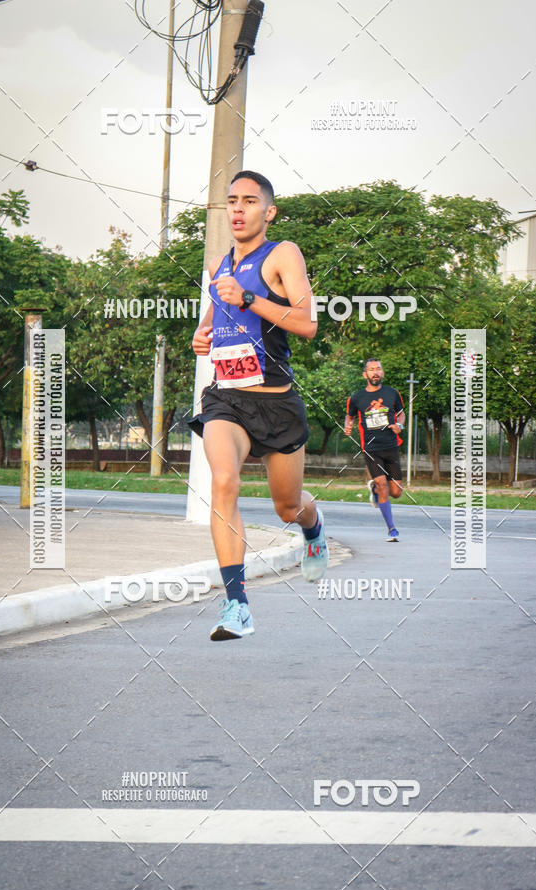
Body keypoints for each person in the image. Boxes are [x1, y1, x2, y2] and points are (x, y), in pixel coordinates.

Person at [189, 170, 329, 641]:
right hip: (226, 400)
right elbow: (215, 318)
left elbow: (307, 322)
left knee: (287, 506)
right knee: (224, 481)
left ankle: (313, 527)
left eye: (249, 201)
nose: (238, 209)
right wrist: (201, 335)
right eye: (231, 200)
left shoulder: (282, 254)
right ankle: (237, 605)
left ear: (268, 212)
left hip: (276, 403)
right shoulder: (218, 264)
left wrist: (250, 296)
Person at [344, 359, 405, 541]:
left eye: (378, 368)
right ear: (365, 375)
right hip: (370, 448)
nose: (375, 372)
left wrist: (399, 425)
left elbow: (401, 413)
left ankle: (375, 490)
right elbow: (350, 416)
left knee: (397, 492)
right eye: (371, 370)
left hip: (391, 446)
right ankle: (392, 529)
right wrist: (348, 426)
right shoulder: (356, 398)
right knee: (383, 485)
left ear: (382, 373)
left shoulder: (392, 393)